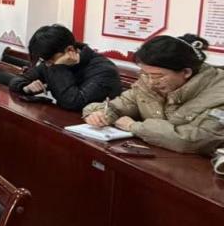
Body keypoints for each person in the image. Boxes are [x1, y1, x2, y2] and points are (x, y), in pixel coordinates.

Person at [83, 34, 224, 156]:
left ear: (186, 72)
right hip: (156, 157)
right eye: (145, 74)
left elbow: (195, 140)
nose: (151, 82)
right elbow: (118, 106)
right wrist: (101, 114)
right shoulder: (147, 84)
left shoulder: (218, 94)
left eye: (158, 76)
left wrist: (135, 127)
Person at [9, 25, 123, 111]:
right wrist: (25, 88)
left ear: (70, 50)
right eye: (45, 61)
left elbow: (73, 102)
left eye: (50, 61)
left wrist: (59, 67)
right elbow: (16, 80)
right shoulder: (50, 62)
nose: (48, 65)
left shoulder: (104, 71)